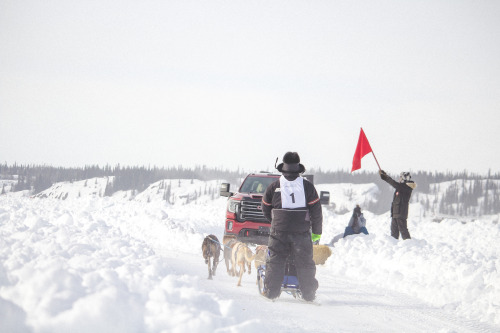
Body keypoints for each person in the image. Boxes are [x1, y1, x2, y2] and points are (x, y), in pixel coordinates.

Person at [261, 152, 323, 302]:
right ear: (298, 169)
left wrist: (274, 221)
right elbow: (316, 211)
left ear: (283, 169)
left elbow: (265, 207)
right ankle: (308, 294)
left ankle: (271, 292)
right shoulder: (307, 186)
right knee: (305, 262)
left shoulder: (274, 186)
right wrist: (316, 233)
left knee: (275, 261)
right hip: (301, 232)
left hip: (279, 232)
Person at [379, 170, 416, 240]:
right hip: (395, 213)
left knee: (403, 231)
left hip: (401, 214)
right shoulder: (401, 187)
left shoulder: (406, 187)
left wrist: (385, 177)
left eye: (401, 177)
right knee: (394, 233)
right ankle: (393, 246)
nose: (399, 179)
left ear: (404, 178)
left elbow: (394, 184)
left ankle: (410, 244)